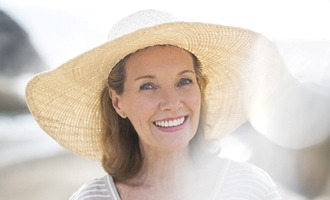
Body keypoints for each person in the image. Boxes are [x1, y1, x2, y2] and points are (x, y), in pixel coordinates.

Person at [25, 10, 285, 199]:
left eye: (184, 81)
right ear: (118, 103)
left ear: (200, 88)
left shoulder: (250, 188)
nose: (172, 103)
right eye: (147, 86)